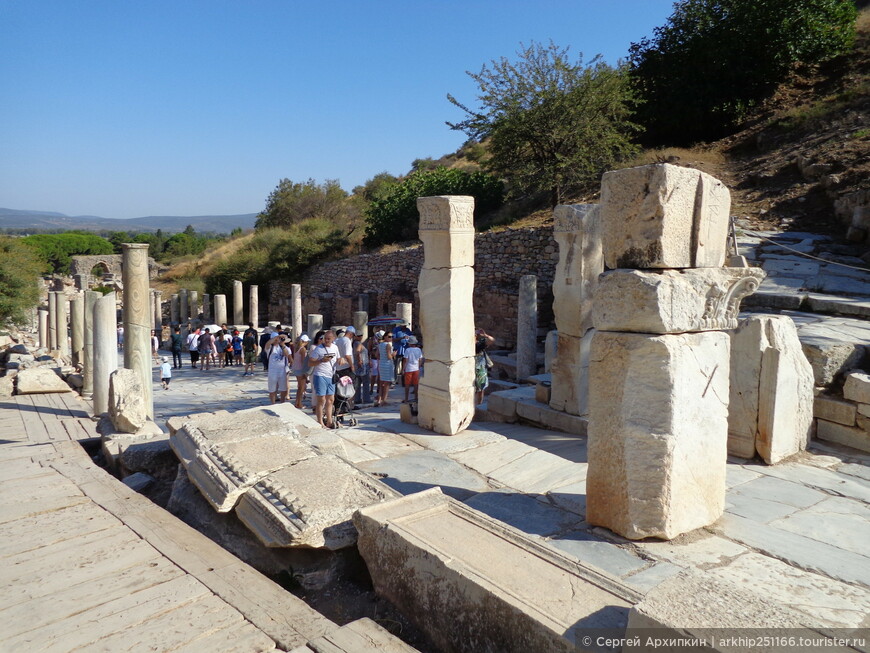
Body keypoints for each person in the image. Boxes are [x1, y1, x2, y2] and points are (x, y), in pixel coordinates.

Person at [308, 330, 344, 428]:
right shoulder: (318, 349)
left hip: (331, 375)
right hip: (320, 375)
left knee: (330, 400)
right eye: (325, 338)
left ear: (333, 339)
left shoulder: (335, 347)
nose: (326, 340)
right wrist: (321, 360)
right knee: (321, 400)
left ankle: (329, 421)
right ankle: (320, 422)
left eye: (329, 339)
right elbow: (310, 362)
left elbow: (338, 359)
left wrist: (341, 360)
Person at [264, 332, 292, 404]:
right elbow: (267, 344)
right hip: (273, 371)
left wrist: (282, 345)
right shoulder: (270, 348)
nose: (277, 340)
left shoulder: (283, 347)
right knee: (272, 389)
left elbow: (286, 354)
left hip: (282, 371)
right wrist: (276, 337)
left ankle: (282, 402)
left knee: (284, 389)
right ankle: (273, 403)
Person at [334, 326, 356, 407]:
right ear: (351, 334)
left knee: (342, 387)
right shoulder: (347, 341)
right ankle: (350, 405)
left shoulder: (339, 340)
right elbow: (347, 355)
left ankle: (341, 405)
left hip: (339, 367)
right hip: (346, 367)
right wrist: (352, 365)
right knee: (350, 387)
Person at [474, 327, 495, 405]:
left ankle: (478, 405)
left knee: (480, 389)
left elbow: (492, 340)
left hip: (480, 370)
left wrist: (485, 335)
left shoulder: (479, 344)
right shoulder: (468, 345)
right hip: (472, 369)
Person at [290, 334, 310, 409]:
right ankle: (299, 403)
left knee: (299, 387)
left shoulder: (297, 348)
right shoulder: (303, 349)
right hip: (300, 369)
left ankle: (297, 402)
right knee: (302, 388)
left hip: (296, 368)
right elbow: (303, 361)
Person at [376, 332, 395, 407]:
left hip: (381, 364)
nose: (391, 338)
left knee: (381, 383)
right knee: (387, 383)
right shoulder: (388, 345)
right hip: (387, 364)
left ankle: (379, 399)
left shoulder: (380, 345)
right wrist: (393, 354)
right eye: (389, 336)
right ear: (385, 337)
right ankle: (384, 400)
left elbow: (377, 355)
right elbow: (389, 356)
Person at [402, 336, 423, 403]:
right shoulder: (419, 350)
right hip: (416, 368)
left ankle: (406, 399)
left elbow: (405, 360)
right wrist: (418, 366)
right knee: (416, 384)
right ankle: (416, 398)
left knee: (407, 385)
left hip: (409, 369)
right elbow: (420, 360)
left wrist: (403, 369)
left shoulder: (408, 350)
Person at [353, 331, 371, 405]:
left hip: (358, 366)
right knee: (365, 382)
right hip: (362, 366)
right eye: (359, 335)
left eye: (361, 335)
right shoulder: (358, 344)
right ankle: (366, 398)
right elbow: (357, 352)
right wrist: (359, 360)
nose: (361, 337)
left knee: (358, 383)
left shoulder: (354, 343)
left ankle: (357, 399)